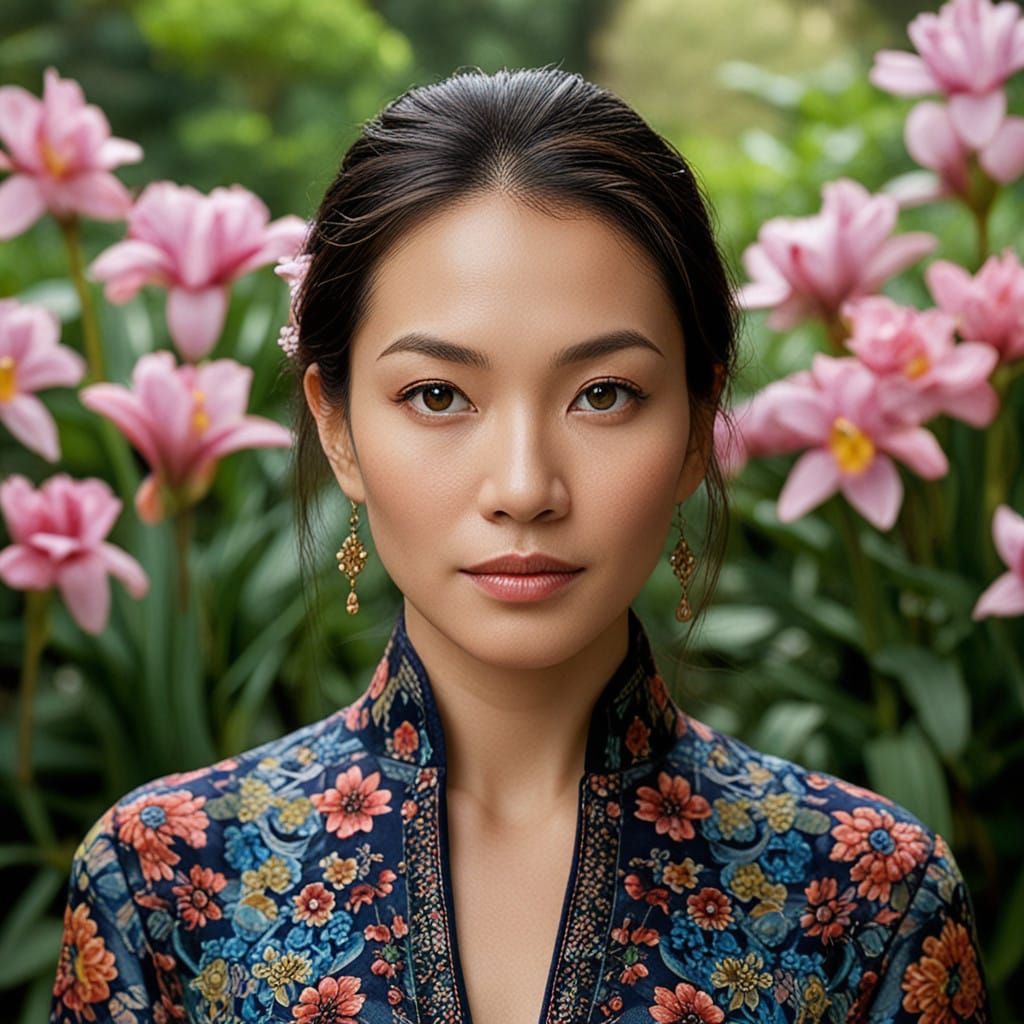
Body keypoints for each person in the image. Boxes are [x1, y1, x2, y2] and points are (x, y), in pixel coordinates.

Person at [49, 66, 989, 1024]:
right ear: (336, 427)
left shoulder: (869, 896)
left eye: (604, 394)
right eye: (438, 396)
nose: (525, 488)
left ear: (700, 423)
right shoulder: (164, 882)